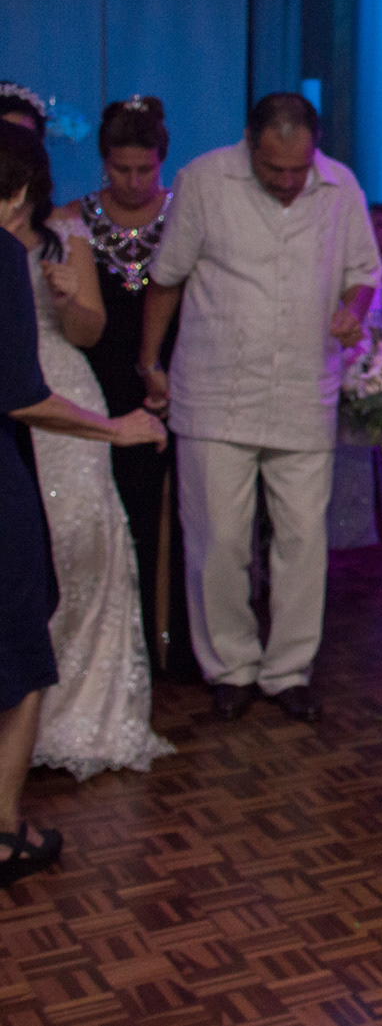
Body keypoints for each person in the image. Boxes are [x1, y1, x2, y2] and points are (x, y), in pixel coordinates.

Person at [139, 93, 381, 724]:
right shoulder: (203, 181)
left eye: (298, 169)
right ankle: (232, 667)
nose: (287, 181)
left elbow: (364, 270)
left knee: (302, 539)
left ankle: (288, 671)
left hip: (304, 386)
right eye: (274, 168)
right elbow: (167, 276)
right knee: (219, 538)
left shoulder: (341, 187)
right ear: (249, 144)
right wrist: (149, 361)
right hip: (215, 387)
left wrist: (352, 309)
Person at [1, 155, 167, 884]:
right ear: (16, 191)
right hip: (20, 440)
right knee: (23, 625)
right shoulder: (3, 255)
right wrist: (116, 428)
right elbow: (18, 393)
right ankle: (4, 828)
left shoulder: (56, 239)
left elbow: (84, 331)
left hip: (50, 407)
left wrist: (70, 298)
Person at [49, 97, 198, 684]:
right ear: (103, 162)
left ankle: (183, 651)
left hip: (181, 374)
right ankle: (124, 654)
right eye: (121, 169)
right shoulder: (74, 219)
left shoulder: (186, 214)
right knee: (121, 516)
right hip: (102, 383)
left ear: (163, 161)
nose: (134, 182)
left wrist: (163, 368)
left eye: (145, 170)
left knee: (189, 518)